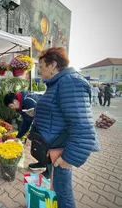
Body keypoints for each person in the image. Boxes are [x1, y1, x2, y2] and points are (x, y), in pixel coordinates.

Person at [32, 47, 99, 208]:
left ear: (53, 65)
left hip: (61, 154)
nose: (39, 71)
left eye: (41, 67)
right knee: (58, 191)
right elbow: (57, 112)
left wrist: (68, 159)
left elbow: (82, 127)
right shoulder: (58, 83)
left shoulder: (70, 82)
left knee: (63, 195)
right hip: (52, 151)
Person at [3, 92, 49, 177]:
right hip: (41, 122)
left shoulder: (28, 102)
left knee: (48, 145)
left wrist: (30, 136)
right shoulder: (21, 107)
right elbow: (27, 122)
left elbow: (39, 119)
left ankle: (50, 170)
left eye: (11, 106)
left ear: (15, 101)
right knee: (39, 144)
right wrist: (18, 136)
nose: (12, 108)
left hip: (49, 121)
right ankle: (42, 163)